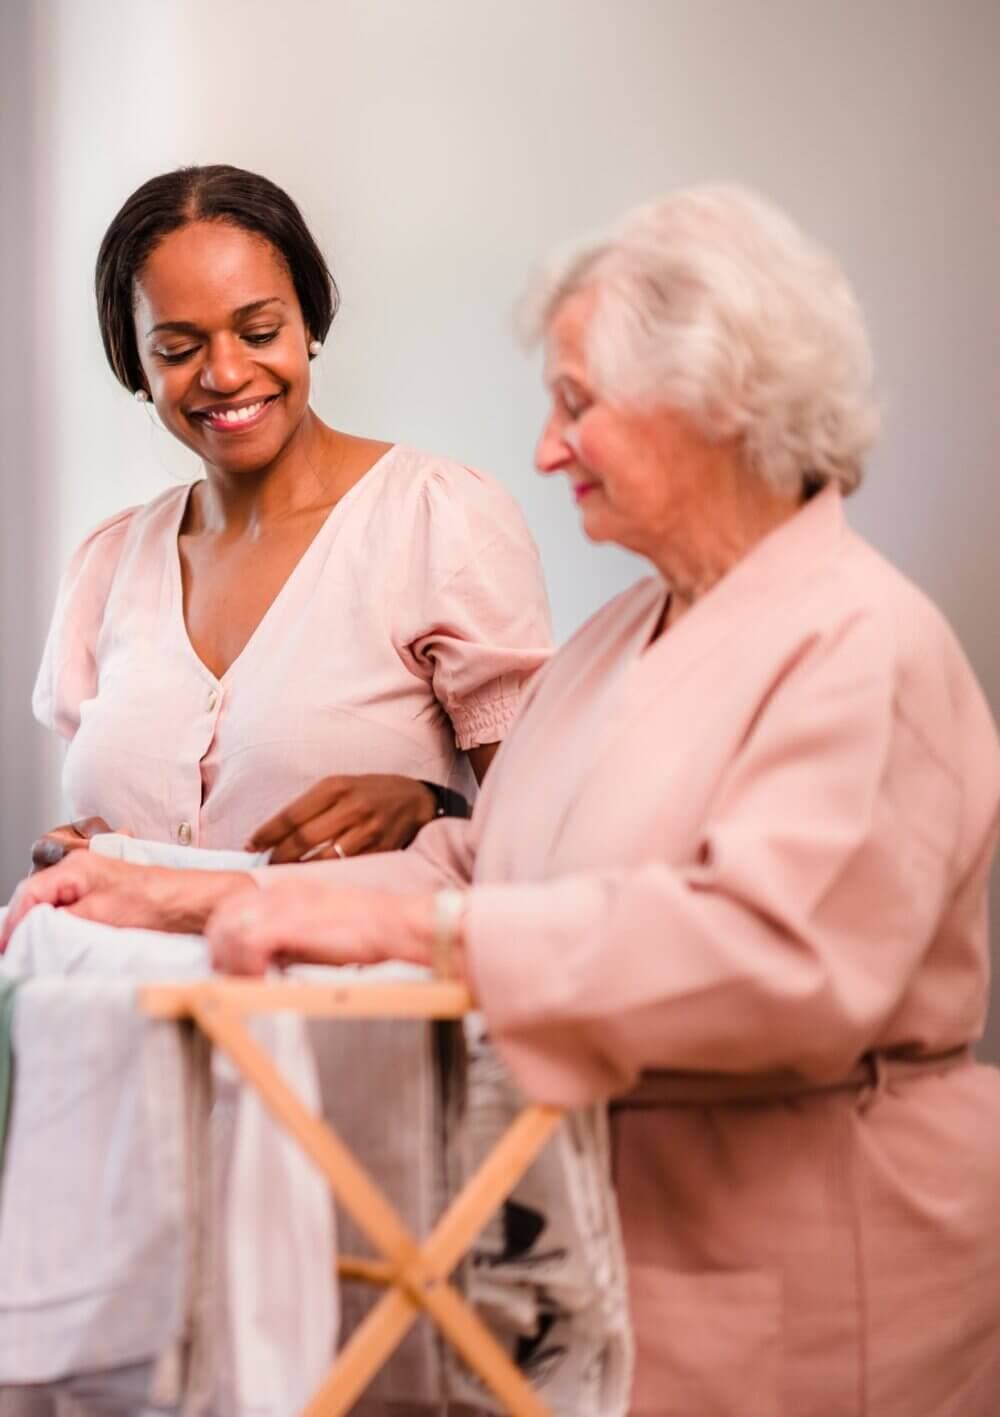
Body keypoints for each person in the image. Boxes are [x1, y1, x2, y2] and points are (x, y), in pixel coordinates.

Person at [7, 186, 1000, 1416]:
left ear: (719, 409)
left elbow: (773, 960)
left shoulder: (863, 644)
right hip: (599, 1261)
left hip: (811, 1273)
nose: (545, 447)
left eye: (577, 405)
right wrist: (165, 890)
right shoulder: (625, 634)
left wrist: (413, 934)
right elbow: (484, 863)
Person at [30, 164, 551, 873]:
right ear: (135, 365)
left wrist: (435, 806)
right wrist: (78, 856)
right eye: (178, 350)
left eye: (258, 331)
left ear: (308, 322)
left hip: (356, 984)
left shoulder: (437, 520)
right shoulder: (108, 563)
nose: (225, 373)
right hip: (126, 982)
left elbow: (549, 831)